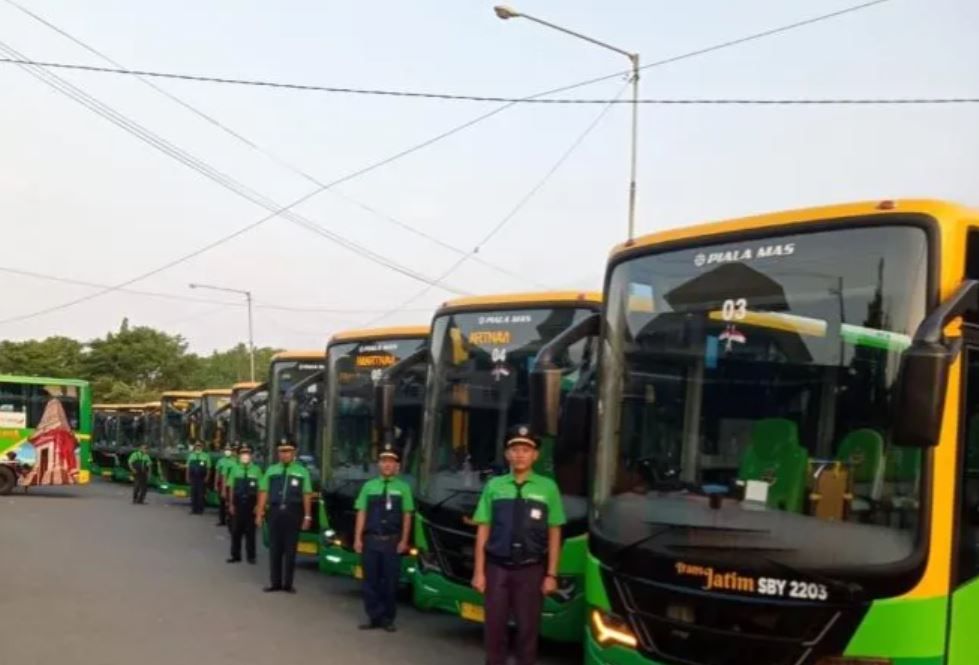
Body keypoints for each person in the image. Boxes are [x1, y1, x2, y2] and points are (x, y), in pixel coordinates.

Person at [471, 425, 566, 665]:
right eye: (515, 449)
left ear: (535, 455)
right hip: (497, 569)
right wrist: (479, 572)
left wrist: (551, 574)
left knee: (527, 630)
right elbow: (483, 528)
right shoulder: (494, 486)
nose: (520, 454)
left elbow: (555, 532)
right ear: (507, 455)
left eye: (526, 449)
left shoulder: (548, 488)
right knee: (494, 629)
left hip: (531, 570)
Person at [354, 443, 414, 632]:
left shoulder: (403, 488)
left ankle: (388, 618)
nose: (387, 465)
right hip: (371, 540)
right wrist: (358, 538)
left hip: (392, 542)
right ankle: (374, 617)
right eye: (384, 461)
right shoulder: (369, 487)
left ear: (397, 466)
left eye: (391, 462)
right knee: (369, 581)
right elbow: (361, 513)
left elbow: (407, 515)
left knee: (389, 582)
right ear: (379, 465)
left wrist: (404, 540)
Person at [256, 441, 314, 593]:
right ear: (278, 453)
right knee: (275, 549)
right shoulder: (271, 470)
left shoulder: (302, 472)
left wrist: (307, 516)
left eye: (288, 451)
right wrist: (259, 512)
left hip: (293, 513)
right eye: (282, 451)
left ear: (294, 453)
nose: (284, 454)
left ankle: (288, 584)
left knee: (290, 550)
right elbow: (263, 491)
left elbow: (306, 494)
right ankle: (275, 583)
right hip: (275, 513)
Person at [226, 445, 261, 564]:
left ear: (251, 456)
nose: (245, 456)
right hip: (238, 502)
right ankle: (236, 555)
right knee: (236, 531)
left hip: (251, 504)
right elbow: (231, 488)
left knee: (250, 532)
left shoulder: (256, 470)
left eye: (247, 454)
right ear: (240, 456)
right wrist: (231, 504)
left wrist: (258, 505)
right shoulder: (235, 469)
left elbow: (260, 489)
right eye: (243, 454)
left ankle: (251, 557)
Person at [214, 444, 237, 527]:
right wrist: (216, 484)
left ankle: (230, 520)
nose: (228, 451)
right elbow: (218, 474)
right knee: (222, 503)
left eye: (229, 450)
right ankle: (222, 520)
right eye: (226, 450)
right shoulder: (220, 461)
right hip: (223, 484)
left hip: (232, 484)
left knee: (231, 502)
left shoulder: (235, 461)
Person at [186, 441, 211, 515]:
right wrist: (187, 476)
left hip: (201, 477)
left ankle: (200, 510)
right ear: (195, 447)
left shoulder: (206, 456)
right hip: (193, 477)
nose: (198, 447)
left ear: (202, 447)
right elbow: (188, 467)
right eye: (197, 446)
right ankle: (194, 509)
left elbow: (208, 468)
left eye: (199, 446)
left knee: (201, 494)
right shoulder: (191, 455)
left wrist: (207, 477)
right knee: (193, 494)